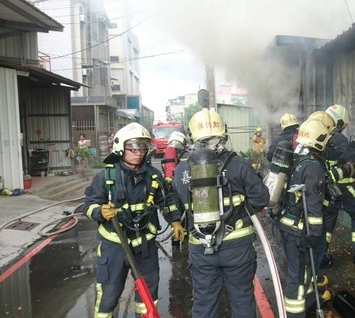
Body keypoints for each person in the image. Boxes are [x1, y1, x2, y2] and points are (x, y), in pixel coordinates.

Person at [172, 108, 270, 318]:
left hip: (201, 249)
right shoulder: (240, 165)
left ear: (193, 138)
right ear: (224, 134)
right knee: (242, 300)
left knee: (204, 304)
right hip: (238, 248)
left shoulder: (181, 171)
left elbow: (178, 201)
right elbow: (262, 199)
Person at [83, 122, 185, 317]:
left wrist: (175, 220)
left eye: (142, 148)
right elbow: (89, 206)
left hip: (145, 246)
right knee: (108, 296)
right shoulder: (106, 177)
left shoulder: (153, 176)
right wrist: (100, 212)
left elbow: (167, 198)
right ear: (121, 148)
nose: (138, 153)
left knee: (148, 296)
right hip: (115, 246)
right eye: (132, 148)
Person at [276, 119, 332, 317]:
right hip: (299, 230)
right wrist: (315, 233)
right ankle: (294, 313)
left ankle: (308, 301)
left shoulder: (296, 160)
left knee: (303, 270)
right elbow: (313, 204)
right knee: (298, 276)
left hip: (287, 224)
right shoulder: (313, 167)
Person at [321, 104, 355, 266]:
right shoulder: (337, 137)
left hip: (327, 188)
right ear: (338, 123)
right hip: (343, 187)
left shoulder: (321, 136)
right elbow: (348, 161)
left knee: (328, 218)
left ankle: (320, 256)